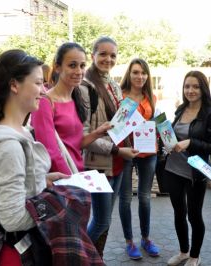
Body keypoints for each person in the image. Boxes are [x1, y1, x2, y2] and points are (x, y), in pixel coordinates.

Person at [0, 49, 68, 263]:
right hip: (14, 253)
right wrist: (56, 203)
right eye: (37, 83)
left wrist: (42, 180)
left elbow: (2, 188)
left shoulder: (3, 131)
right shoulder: (8, 146)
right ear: (14, 85)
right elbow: (12, 218)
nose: (43, 91)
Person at [79, 36, 139, 258]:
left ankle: (95, 258)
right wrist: (116, 150)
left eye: (113, 55)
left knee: (105, 219)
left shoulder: (113, 83)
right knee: (101, 220)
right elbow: (84, 137)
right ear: (93, 55)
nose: (108, 59)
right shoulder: (85, 88)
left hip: (119, 161)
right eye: (103, 54)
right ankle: (79, 258)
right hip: (100, 164)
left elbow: (119, 125)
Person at [165, 71, 211, 266]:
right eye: (187, 86)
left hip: (195, 173)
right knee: (178, 213)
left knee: (194, 215)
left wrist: (190, 142)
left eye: (195, 86)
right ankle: (183, 251)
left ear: (203, 89)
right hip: (173, 168)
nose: (190, 90)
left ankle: (195, 256)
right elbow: (174, 136)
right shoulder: (181, 109)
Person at [31, 42, 111, 175]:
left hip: (77, 172)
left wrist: (97, 133)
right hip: (61, 181)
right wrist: (72, 181)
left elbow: (74, 144)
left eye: (82, 66)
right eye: (72, 65)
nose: (79, 71)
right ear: (57, 67)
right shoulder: (45, 103)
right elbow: (50, 152)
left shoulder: (76, 98)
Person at [118, 58, 160, 259]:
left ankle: (146, 238)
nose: (140, 76)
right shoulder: (119, 95)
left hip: (148, 152)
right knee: (125, 198)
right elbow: (116, 125)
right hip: (126, 152)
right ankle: (129, 241)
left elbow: (156, 121)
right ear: (129, 74)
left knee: (144, 197)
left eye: (143, 73)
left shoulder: (151, 96)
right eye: (135, 72)